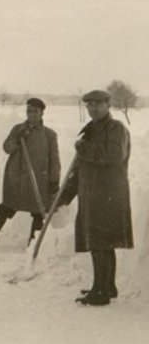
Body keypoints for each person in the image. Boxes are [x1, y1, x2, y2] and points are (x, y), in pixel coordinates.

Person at [58, 90, 133, 306]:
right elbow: (79, 168)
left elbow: (113, 155)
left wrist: (83, 148)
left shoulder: (116, 129)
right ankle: (106, 287)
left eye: (97, 104)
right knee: (99, 243)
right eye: (89, 105)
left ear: (108, 105)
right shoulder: (90, 132)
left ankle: (101, 292)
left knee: (101, 242)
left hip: (108, 195)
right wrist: (64, 196)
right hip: (92, 195)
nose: (92, 108)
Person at [0, 98, 60, 246]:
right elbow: (7, 148)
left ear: (42, 113)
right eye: (29, 111)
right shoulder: (17, 129)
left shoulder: (49, 135)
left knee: (38, 212)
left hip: (39, 180)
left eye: (35, 111)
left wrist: (54, 181)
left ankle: (33, 244)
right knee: (6, 207)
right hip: (17, 177)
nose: (32, 114)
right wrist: (17, 139)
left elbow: (54, 160)